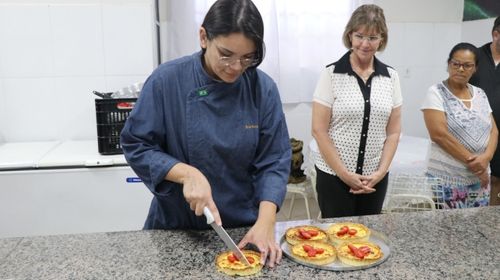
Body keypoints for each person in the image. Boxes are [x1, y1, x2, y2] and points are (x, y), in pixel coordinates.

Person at [120, 0, 291, 268]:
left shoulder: (263, 89)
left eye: (247, 58)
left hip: (242, 231)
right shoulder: (167, 80)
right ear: (203, 37)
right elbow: (136, 143)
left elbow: (274, 160)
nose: (236, 67)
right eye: (226, 54)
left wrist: (266, 221)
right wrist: (187, 173)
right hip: (178, 227)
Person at [311, 4, 402, 218]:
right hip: (334, 177)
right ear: (350, 35)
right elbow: (319, 130)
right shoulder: (331, 74)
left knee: (368, 239)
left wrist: (380, 173)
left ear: (382, 39)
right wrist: (344, 174)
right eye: (359, 36)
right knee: (336, 239)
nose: (365, 44)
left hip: (374, 179)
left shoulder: (391, 77)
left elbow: (394, 132)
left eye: (372, 37)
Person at [421, 42, 498, 209]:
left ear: (475, 68)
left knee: (476, 228)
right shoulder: (436, 92)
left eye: (467, 65)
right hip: (448, 180)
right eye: (456, 64)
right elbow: (439, 135)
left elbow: (494, 130)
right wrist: (477, 165)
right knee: (448, 230)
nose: (461, 69)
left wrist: (486, 158)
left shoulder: (480, 94)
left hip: (480, 179)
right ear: (449, 64)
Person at [469, 16, 500, 206]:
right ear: (495, 34)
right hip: (476, 134)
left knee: (497, 179)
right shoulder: (475, 57)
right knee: (478, 180)